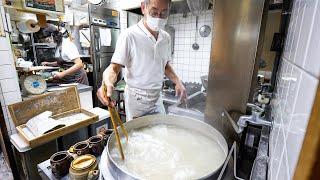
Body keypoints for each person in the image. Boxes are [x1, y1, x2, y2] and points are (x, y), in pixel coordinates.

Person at [97, 0, 187, 121]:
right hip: (136, 101)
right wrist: (106, 82)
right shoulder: (129, 35)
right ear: (143, 8)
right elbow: (114, 68)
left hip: (156, 98)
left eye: (164, 13)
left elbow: (164, 65)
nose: (159, 18)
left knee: (161, 133)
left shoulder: (166, 38)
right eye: (154, 12)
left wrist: (178, 81)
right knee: (139, 137)